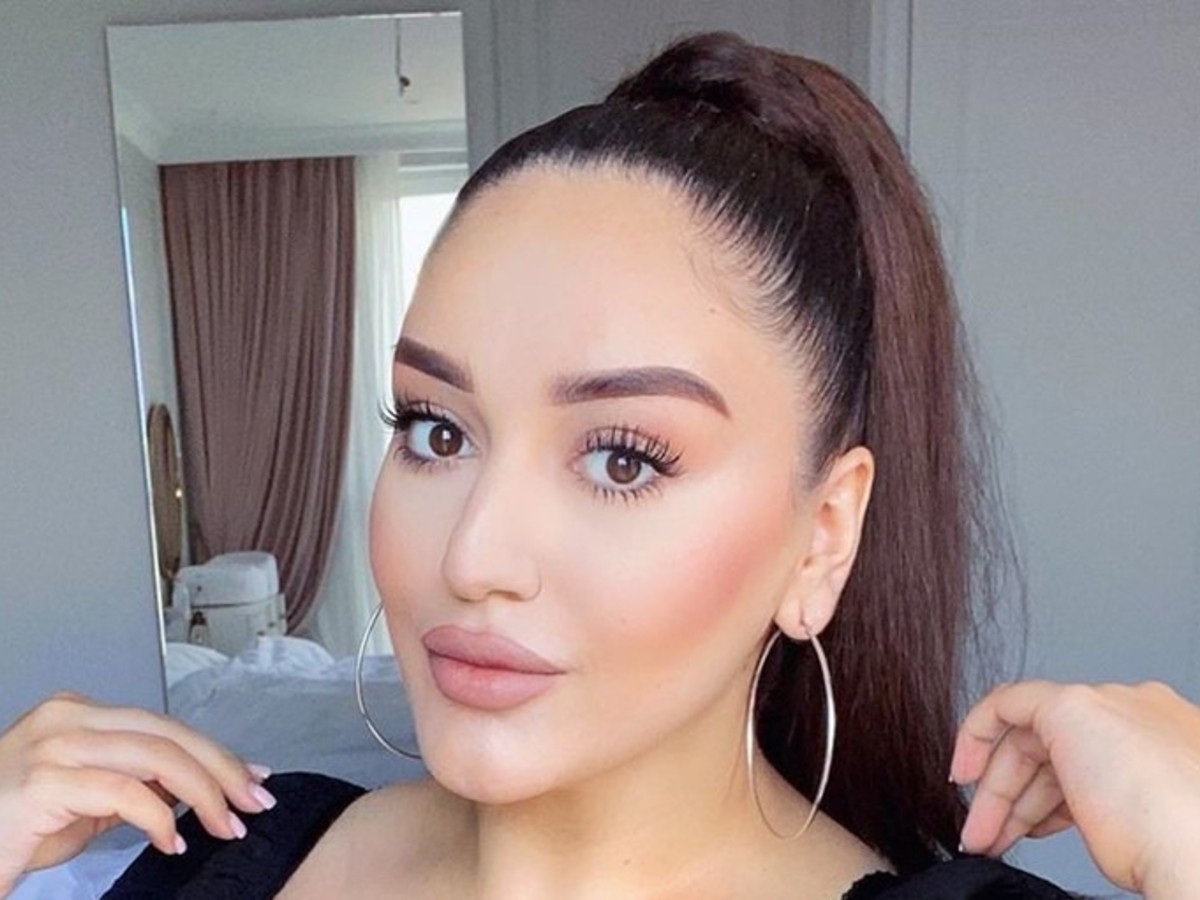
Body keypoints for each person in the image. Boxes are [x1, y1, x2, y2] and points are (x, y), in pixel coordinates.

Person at [2, 31, 1199, 899]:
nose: (473, 556)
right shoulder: (233, 859)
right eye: (436, 431)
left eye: (623, 459)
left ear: (823, 536)